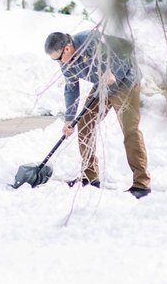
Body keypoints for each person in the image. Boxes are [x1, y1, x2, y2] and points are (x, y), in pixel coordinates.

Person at [45, 29, 151, 198]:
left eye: (57, 58)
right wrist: (69, 120)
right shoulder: (65, 63)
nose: (58, 63)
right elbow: (71, 88)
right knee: (84, 122)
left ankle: (141, 183)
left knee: (130, 130)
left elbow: (126, 47)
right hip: (102, 86)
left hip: (125, 81)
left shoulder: (90, 39)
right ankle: (90, 177)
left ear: (67, 49)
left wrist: (112, 70)